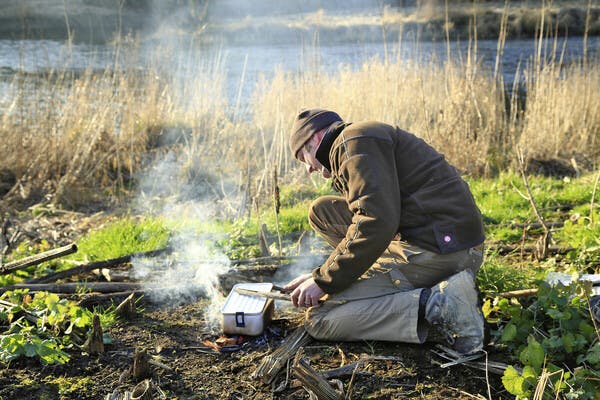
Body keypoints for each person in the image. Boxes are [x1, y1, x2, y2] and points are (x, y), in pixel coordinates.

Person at [283, 109, 486, 355]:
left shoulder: (352, 142)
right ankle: (404, 284)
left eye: (303, 157)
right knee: (322, 210)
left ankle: (442, 306)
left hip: (445, 250)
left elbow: (375, 221)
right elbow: (372, 216)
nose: (309, 169)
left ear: (314, 139)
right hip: (446, 240)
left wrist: (324, 280)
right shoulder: (357, 139)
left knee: (321, 317)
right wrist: (323, 273)